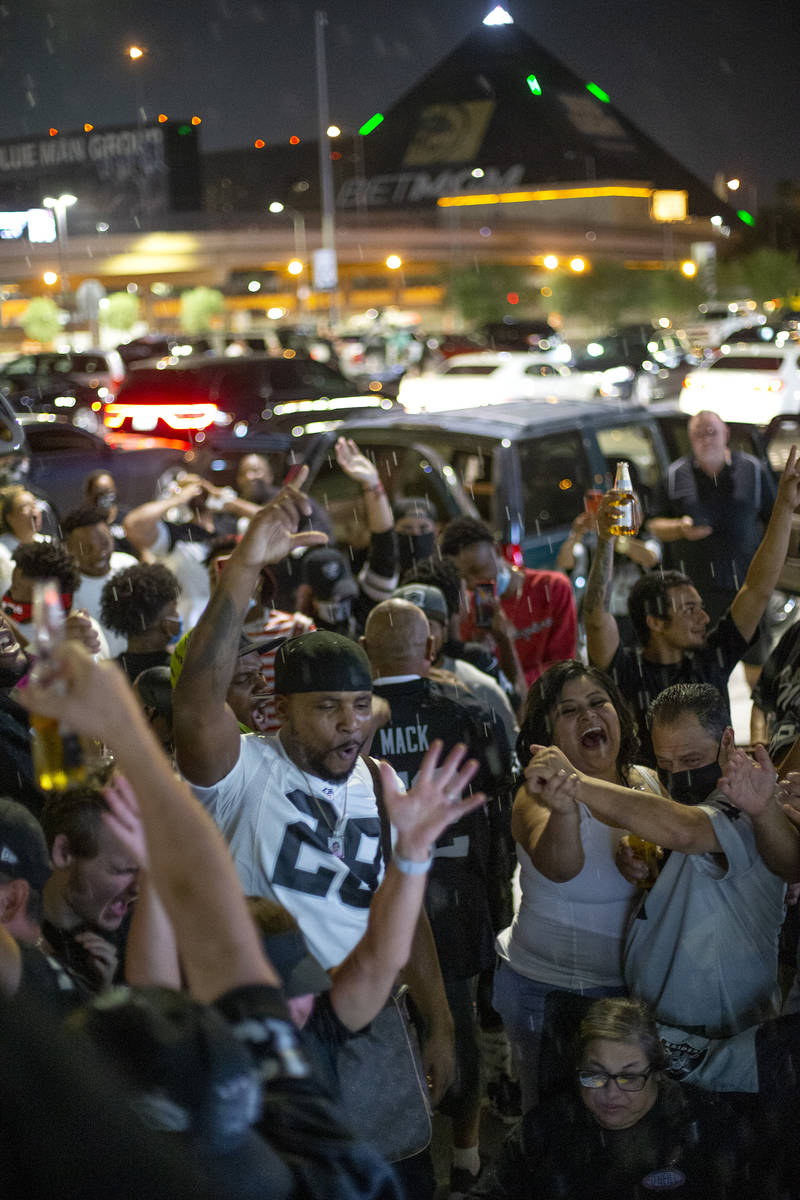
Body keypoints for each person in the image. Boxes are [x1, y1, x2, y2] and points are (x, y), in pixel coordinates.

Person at [16, 639, 403, 1200]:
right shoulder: (330, 1161)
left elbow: (166, 978)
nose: (295, 1001)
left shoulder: (129, 1169)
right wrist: (412, 856)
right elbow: (369, 965)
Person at [172, 475, 455, 1194]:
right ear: (278, 711)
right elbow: (198, 695)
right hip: (282, 1030)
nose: (350, 723)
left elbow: (404, 905)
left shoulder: (376, 782)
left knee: (397, 1180)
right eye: (327, 707)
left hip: (376, 1024)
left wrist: (439, 1019)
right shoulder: (241, 772)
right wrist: (242, 567)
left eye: (360, 706)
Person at [525, 682, 787, 1039]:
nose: (678, 774)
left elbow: (687, 830)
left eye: (692, 761)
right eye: (665, 763)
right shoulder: (687, 798)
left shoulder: (749, 804)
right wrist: (659, 870)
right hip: (665, 1025)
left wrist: (576, 783)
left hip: (720, 1031)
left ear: (727, 741)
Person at [363, 597, 513, 1198]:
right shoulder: (469, 709)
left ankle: (405, 1143)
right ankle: (467, 1153)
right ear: (429, 647)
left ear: (367, 648)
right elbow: (503, 807)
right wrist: (496, 902)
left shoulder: (348, 716)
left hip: (371, 898)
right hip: (453, 893)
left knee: (384, 1025)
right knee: (456, 1020)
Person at [493, 660, 660, 1112]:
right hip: (546, 994)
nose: (588, 716)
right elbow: (559, 865)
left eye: (597, 702)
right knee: (551, 1123)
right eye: (568, 711)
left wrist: (652, 865)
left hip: (631, 990)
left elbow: (680, 858)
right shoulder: (535, 795)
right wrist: (567, 809)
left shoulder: (646, 782)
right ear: (544, 737)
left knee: (622, 1117)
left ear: (619, 715)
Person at [583, 445, 800, 763]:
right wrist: (606, 541)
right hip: (651, 802)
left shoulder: (711, 657)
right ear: (654, 621)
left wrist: (783, 505)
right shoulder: (625, 671)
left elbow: (756, 588)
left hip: (722, 799)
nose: (703, 617)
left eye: (699, 606)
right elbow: (595, 614)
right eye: (688, 609)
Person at [470, 997, 770, 1199]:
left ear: (656, 1071)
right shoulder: (542, 1130)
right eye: (595, 1075)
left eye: (629, 1076)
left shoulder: (709, 1125)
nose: (611, 1093)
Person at [648, 410, 776, 635]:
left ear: (725, 434)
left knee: (754, 657)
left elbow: (774, 522)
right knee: (702, 659)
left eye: (712, 432)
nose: (706, 439)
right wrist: (680, 528)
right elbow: (653, 525)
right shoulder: (675, 475)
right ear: (690, 438)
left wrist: (773, 569)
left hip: (749, 585)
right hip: (696, 593)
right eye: (699, 434)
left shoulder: (752, 469)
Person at [440, 515, 576, 692]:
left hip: (550, 700)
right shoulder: (469, 609)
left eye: (477, 570)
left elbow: (563, 664)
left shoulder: (552, 587)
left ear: (497, 551)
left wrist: (512, 681)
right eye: (464, 577)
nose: (473, 583)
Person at [39, 784, 140, 994]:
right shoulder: (17, 935)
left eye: (141, 871)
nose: (137, 888)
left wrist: (104, 994)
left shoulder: (134, 936)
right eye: (122, 871)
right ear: (63, 853)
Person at [393, 581, 518, 752]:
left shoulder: (478, 686)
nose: (415, 634)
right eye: (404, 625)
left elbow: (510, 755)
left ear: (444, 631)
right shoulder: (369, 694)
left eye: (428, 625)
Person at [123, 474, 259, 629]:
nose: (198, 492)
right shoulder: (175, 534)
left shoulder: (231, 529)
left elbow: (276, 523)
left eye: (202, 488)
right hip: (192, 628)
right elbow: (133, 525)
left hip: (234, 624)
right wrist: (177, 500)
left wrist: (228, 501)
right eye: (191, 489)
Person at [295, 437, 398, 635]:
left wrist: (373, 485)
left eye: (342, 596)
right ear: (308, 596)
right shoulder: (296, 631)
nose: (337, 603)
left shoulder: (364, 611)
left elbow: (385, 548)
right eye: (327, 596)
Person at [62, 505, 139, 657]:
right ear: (70, 549)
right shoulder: (67, 590)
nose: (99, 553)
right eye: (87, 548)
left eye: (104, 543)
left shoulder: (129, 565)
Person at [99, 561, 181, 681]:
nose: (178, 616)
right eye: (174, 610)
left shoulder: (106, 675)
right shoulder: (181, 673)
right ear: (166, 626)